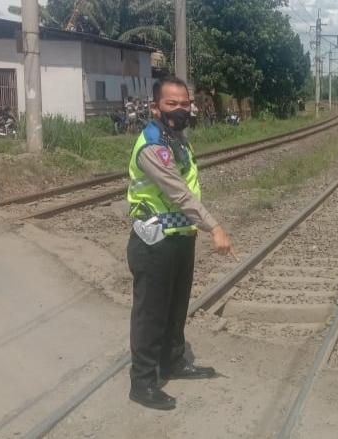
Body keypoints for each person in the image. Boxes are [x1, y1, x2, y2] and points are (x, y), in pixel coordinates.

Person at [126, 76, 234, 411]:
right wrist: (214, 226)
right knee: (151, 314)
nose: (180, 109)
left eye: (185, 103)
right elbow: (178, 193)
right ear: (155, 107)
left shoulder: (178, 139)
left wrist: (195, 230)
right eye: (172, 104)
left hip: (179, 239)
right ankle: (142, 383)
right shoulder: (152, 144)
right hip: (153, 242)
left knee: (175, 308)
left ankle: (173, 361)